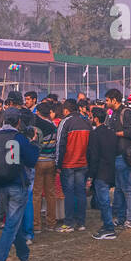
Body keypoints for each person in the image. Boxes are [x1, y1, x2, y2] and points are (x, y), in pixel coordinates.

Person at [0, 109, 39, 261]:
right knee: (11, 225)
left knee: (13, 222)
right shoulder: (19, 138)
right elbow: (32, 161)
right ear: (18, 122)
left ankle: (23, 254)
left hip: (1, 183)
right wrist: (33, 143)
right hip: (17, 183)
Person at [105, 89, 131, 229]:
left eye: (107, 100)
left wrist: (117, 134)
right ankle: (121, 218)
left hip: (124, 155)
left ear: (114, 100)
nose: (106, 102)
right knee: (119, 189)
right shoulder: (113, 113)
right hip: (116, 155)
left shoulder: (126, 112)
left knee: (127, 188)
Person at [55, 98, 92, 232]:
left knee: (69, 193)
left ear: (66, 110)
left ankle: (69, 222)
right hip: (83, 163)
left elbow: (60, 144)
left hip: (68, 164)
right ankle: (81, 222)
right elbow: (90, 146)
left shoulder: (65, 122)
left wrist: (57, 164)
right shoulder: (86, 122)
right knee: (81, 192)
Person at [85, 107, 120, 240]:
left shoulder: (95, 134)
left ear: (96, 118)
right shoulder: (111, 133)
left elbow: (94, 156)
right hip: (110, 168)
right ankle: (107, 225)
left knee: (104, 201)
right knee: (104, 200)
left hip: (100, 171)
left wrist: (90, 176)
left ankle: (109, 227)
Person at [32, 103, 61, 232]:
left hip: (39, 161)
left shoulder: (36, 128)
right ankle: (51, 223)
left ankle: (37, 224)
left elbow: (35, 145)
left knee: (37, 194)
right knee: (51, 193)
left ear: (38, 112)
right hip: (51, 161)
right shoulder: (54, 126)